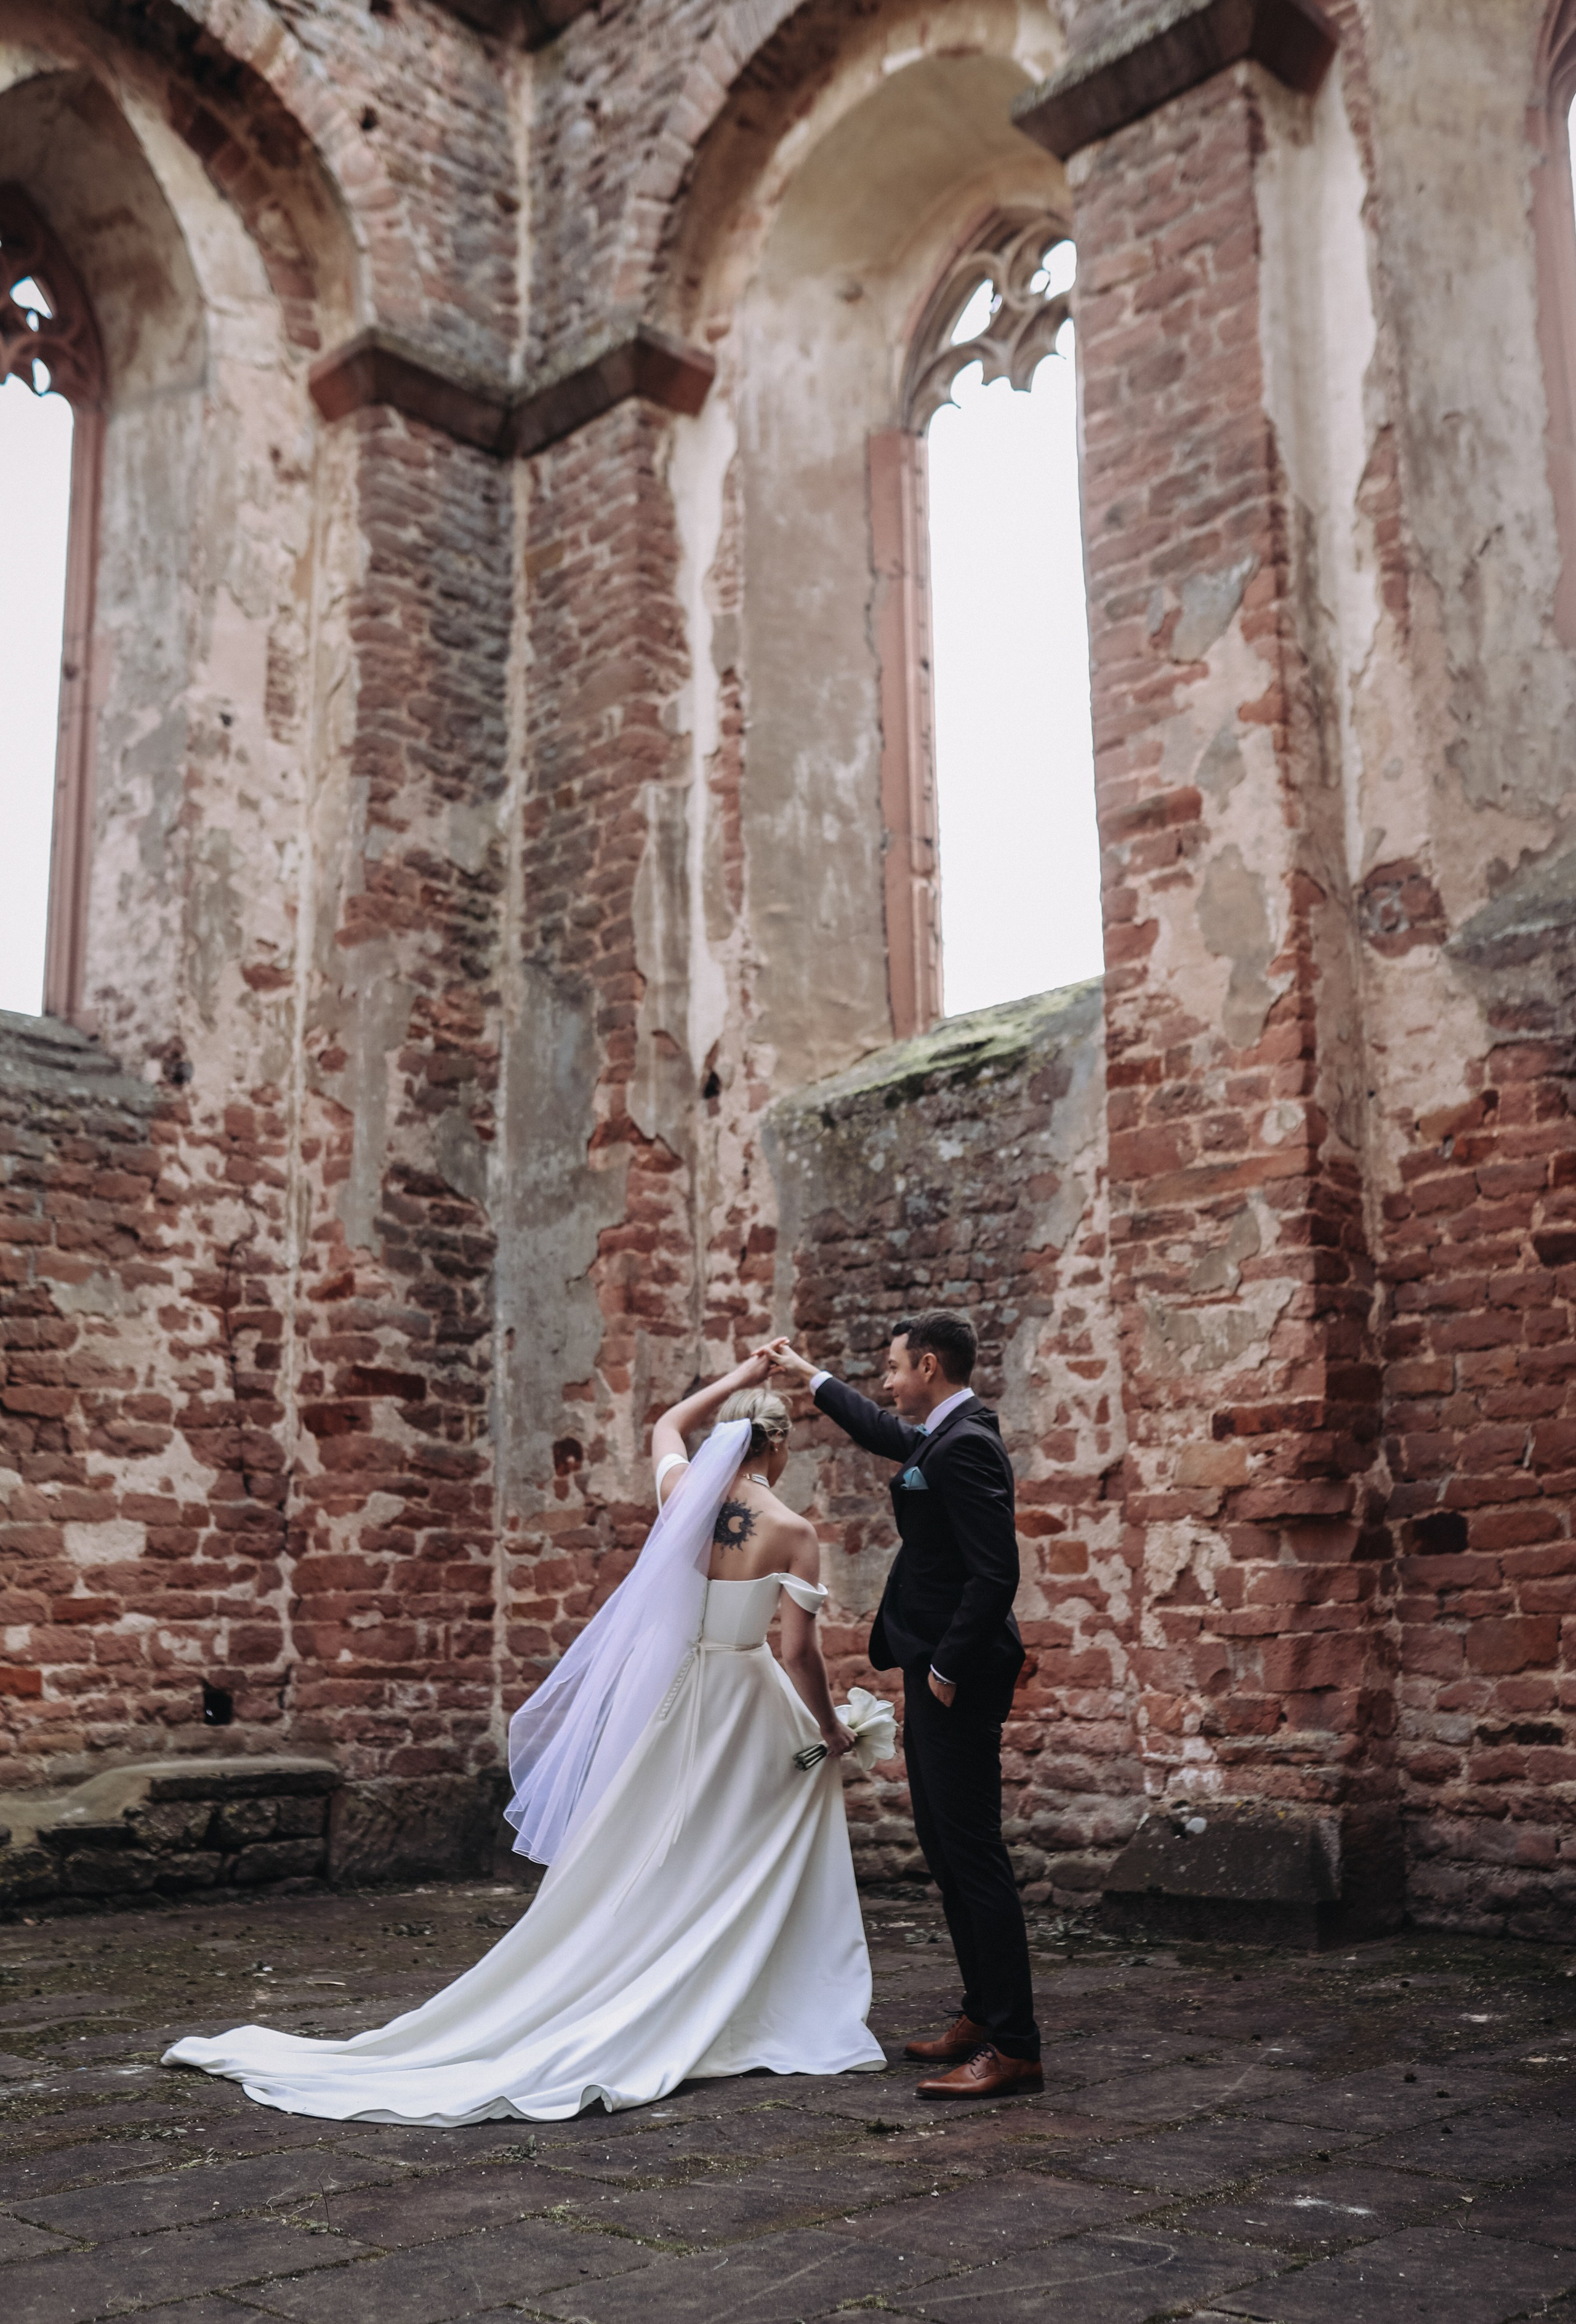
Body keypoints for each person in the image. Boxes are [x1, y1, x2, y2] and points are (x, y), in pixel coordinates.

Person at [162, 1354, 884, 2122]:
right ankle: (754, 1990)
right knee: (754, 1835)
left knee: (649, 1839)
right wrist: (832, 1728)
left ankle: (655, 1964)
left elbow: (666, 1425)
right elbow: (802, 1653)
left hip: (675, 1700)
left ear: (727, 1439)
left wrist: (737, 1373)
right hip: (745, 1696)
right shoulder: (793, 1531)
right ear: (777, 1449)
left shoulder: (682, 1493)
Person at [766, 1312, 1042, 2099]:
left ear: (928, 1364)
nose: (886, 1381)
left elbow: (995, 1573)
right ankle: (983, 2014)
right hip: (930, 1665)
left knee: (973, 1851)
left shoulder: (969, 1443)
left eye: (892, 1367)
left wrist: (948, 1667)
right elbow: (882, 1428)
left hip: (955, 1671)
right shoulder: (938, 1434)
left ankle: (1016, 2046)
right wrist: (805, 1371)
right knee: (945, 1848)